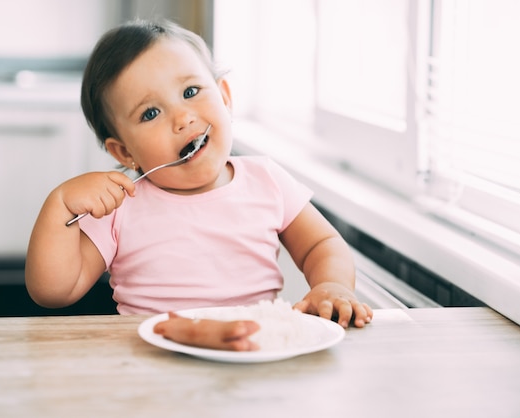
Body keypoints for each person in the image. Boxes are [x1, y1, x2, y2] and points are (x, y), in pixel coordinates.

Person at [25, 18, 373, 334]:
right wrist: (58, 207)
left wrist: (332, 285)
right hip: (154, 361)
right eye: (151, 113)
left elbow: (320, 245)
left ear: (224, 97)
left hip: (252, 353)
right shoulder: (121, 203)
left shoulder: (267, 180)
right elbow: (55, 292)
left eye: (191, 92)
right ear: (125, 153)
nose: (182, 118)